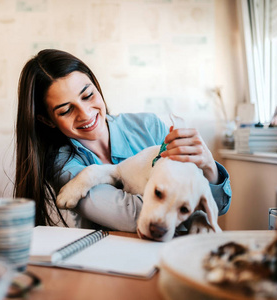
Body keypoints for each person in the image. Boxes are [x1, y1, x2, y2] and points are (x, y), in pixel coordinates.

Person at [14, 49, 231, 232]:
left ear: (96, 86)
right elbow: (130, 216)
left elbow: (217, 207)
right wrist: (186, 202)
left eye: (88, 95)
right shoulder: (63, 164)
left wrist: (208, 168)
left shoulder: (149, 127)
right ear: (48, 120)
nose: (85, 114)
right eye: (66, 110)